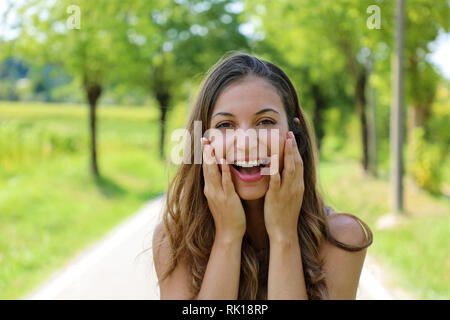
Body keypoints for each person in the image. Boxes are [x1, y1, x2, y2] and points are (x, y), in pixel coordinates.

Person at [152, 52, 373, 300]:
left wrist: (283, 234)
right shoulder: (174, 242)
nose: (246, 143)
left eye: (265, 122)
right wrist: (228, 236)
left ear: (294, 135)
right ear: (202, 141)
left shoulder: (341, 238)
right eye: (225, 125)